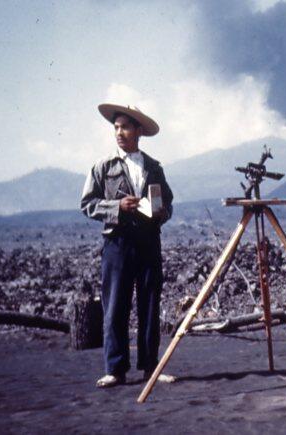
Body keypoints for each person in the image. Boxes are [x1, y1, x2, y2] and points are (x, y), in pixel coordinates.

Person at [80, 103, 173, 388]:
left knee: (149, 304)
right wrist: (116, 207)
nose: (119, 132)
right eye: (116, 127)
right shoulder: (102, 166)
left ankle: (150, 369)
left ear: (139, 131)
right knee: (115, 305)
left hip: (148, 241)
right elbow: (87, 204)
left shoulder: (154, 167)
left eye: (125, 127)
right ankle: (115, 369)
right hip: (116, 243)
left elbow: (168, 204)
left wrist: (161, 213)